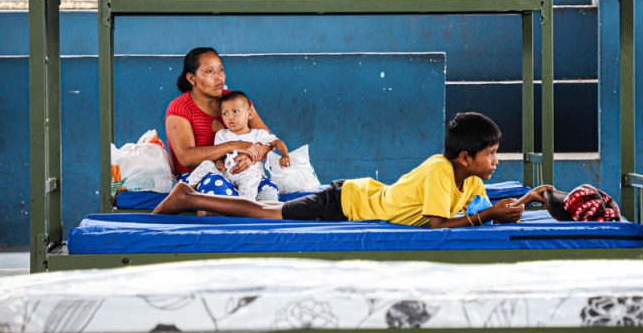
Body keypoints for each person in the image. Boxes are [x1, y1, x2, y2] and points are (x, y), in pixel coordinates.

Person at [154, 112, 553, 228]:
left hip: (356, 196)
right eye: (491, 154)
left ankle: (189, 197)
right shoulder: (439, 171)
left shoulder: (466, 181)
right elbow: (437, 228)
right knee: (264, 214)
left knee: (267, 212)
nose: (496, 162)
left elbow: (482, 207)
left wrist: (525, 200)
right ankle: (187, 196)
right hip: (346, 202)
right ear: (465, 157)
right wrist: (489, 215)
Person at [165, 47, 275, 195]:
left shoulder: (237, 101)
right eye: (209, 72)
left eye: (221, 70)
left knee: (269, 191)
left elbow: (269, 141)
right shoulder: (180, 108)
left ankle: (245, 211)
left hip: (240, 172)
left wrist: (251, 159)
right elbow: (186, 157)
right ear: (192, 78)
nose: (219, 77)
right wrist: (233, 146)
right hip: (199, 176)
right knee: (217, 189)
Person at [184, 90, 291, 200]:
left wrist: (285, 155)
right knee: (206, 164)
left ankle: (245, 205)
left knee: (251, 181)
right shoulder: (222, 135)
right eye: (225, 113)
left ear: (249, 113)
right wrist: (219, 162)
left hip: (248, 174)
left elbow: (277, 142)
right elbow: (218, 155)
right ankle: (186, 189)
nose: (230, 117)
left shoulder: (257, 134)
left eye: (235, 111)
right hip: (227, 173)